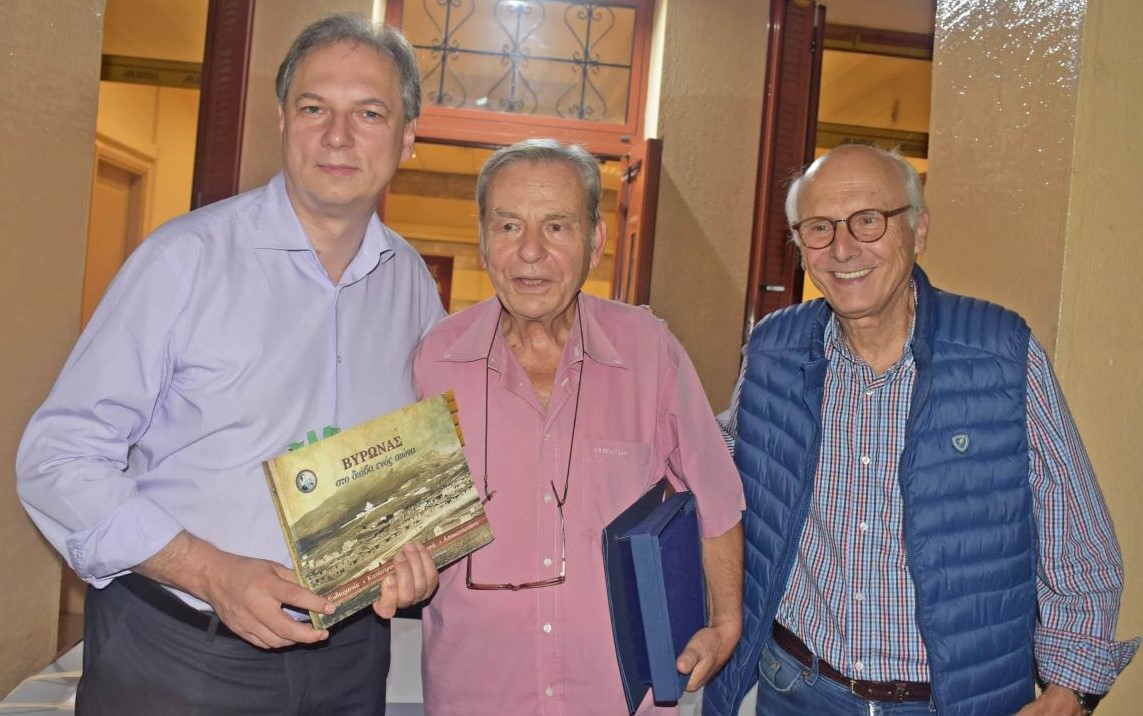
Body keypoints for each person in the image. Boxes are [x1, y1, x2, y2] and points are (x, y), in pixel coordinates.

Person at [16, 15, 445, 716]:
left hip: (350, 663)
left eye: (369, 113)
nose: (338, 136)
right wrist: (210, 572)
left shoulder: (412, 286)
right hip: (178, 657)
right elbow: (56, 460)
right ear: (282, 121)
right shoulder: (184, 260)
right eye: (314, 108)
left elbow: (411, 466)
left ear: (406, 137)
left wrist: (412, 554)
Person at [703, 144, 1137, 716]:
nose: (843, 249)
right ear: (801, 247)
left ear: (919, 230)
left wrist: (1070, 686)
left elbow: (1074, 532)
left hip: (949, 702)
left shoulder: (998, 354)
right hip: (795, 689)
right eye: (819, 227)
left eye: (868, 220)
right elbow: (719, 456)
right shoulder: (772, 351)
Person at [412, 139, 745, 715]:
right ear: (484, 239)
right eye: (509, 225)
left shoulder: (648, 350)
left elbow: (717, 497)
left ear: (595, 240)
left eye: (557, 226)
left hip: (619, 700)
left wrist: (726, 622)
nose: (530, 252)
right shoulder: (434, 361)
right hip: (476, 694)